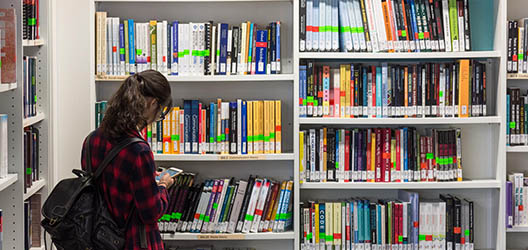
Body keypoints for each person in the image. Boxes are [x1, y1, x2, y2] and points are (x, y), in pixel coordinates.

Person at [81, 70, 174, 250]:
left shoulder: (92, 139)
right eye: (161, 112)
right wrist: (162, 186)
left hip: (97, 238)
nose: (157, 118)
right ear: (153, 103)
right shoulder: (139, 151)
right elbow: (150, 212)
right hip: (131, 241)